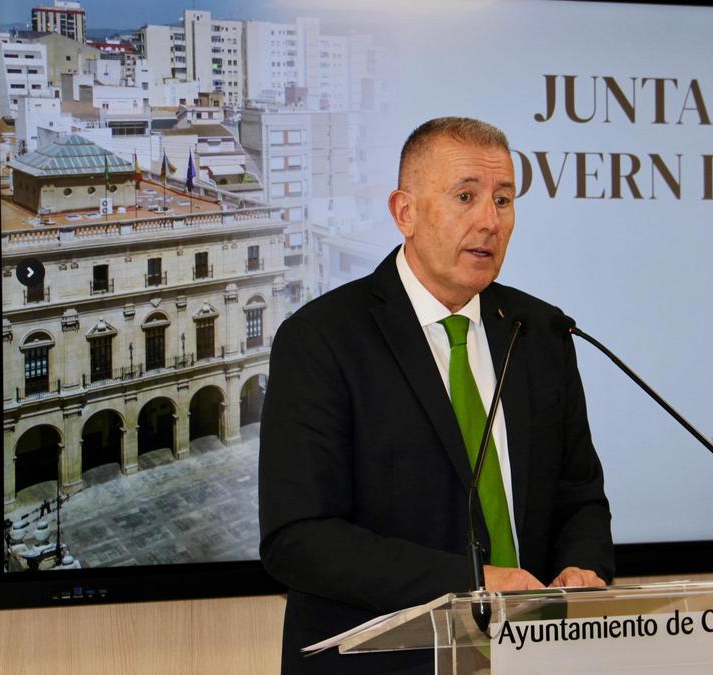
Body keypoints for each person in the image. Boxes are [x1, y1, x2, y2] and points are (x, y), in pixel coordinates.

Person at [259, 117, 614, 674]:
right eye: (466, 197)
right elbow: (299, 538)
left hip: (534, 658)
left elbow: (579, 496)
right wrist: (471, 583)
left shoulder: (539, 331)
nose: (489, 221)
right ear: (405, 212)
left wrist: (582, 567)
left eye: (503, 200)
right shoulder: (322, 338)